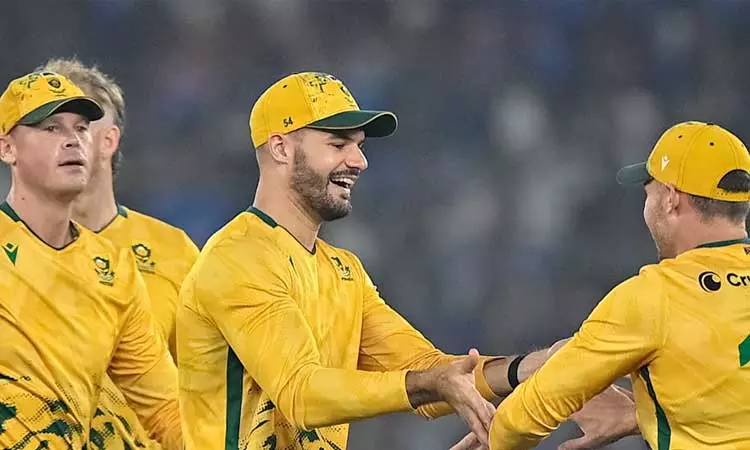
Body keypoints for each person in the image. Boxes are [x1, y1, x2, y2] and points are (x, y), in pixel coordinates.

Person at [176, 72, 633, 450]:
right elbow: (303, 394)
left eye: (359, 145)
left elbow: (430, 369)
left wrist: (537, 368)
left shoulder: (343, 271)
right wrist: (429, 382)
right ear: (281, 149)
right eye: (338, 144)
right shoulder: (239, 258)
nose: (359, 161)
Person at [488, 121, 750, 449]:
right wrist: (644, 415)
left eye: (649, 192)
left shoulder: (652, 297)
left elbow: (519, 421)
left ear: (670, 199)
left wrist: (495, 431)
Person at [0, 71, 182, 449]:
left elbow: (164, 408)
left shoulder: (114, 270)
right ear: (7, 149)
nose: (72, 140)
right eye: (51, 128)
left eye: (81, 128)